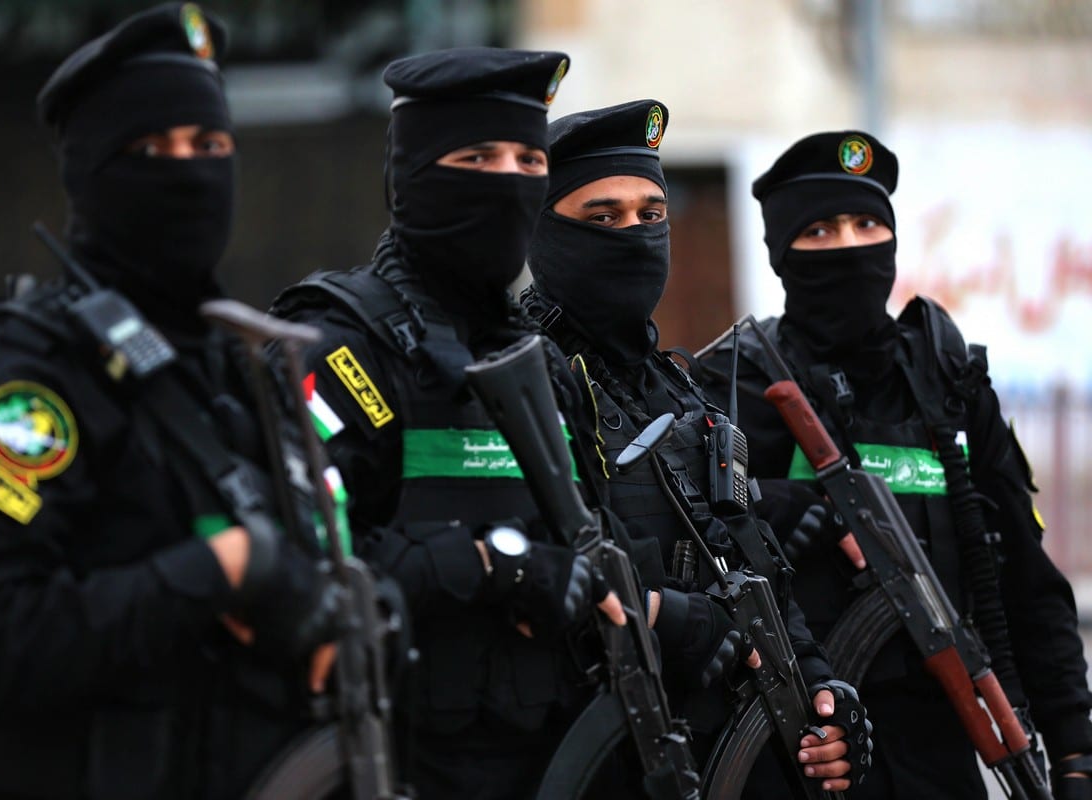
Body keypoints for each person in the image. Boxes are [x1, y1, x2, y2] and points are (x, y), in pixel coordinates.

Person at [0, 5, 339, 799]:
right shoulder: (22, 376)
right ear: (93, 175)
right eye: (151, 150)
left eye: (209, 146)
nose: (188, 171)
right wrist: (220, 568)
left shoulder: (240, 364)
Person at [268, 48, 641, 799]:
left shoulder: (545, 367)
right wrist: (494, 566)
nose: (509, 181)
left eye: (529, 158)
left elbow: (596, 550)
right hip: (390, 762)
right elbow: (298, 562)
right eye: (478, 156)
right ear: (411, 175)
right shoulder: (342, 350)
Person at [697, 129, 1092, 799]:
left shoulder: (947, 384)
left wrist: (1076, 752)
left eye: (867, 224)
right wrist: (805, 511)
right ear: (782, 255)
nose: (849, 247)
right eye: (820, 231)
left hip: (938, 746)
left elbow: (1029, 582)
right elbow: (692, 539)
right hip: (797, 749)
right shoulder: (736, 386)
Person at [521, 99, 871, 795]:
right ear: (543, 232)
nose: (633, 234)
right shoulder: (524, 378)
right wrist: (694, 626)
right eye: (602, 217)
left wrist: (826, 692)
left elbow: (756, 566)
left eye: (650, 216)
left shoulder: (679, 392)